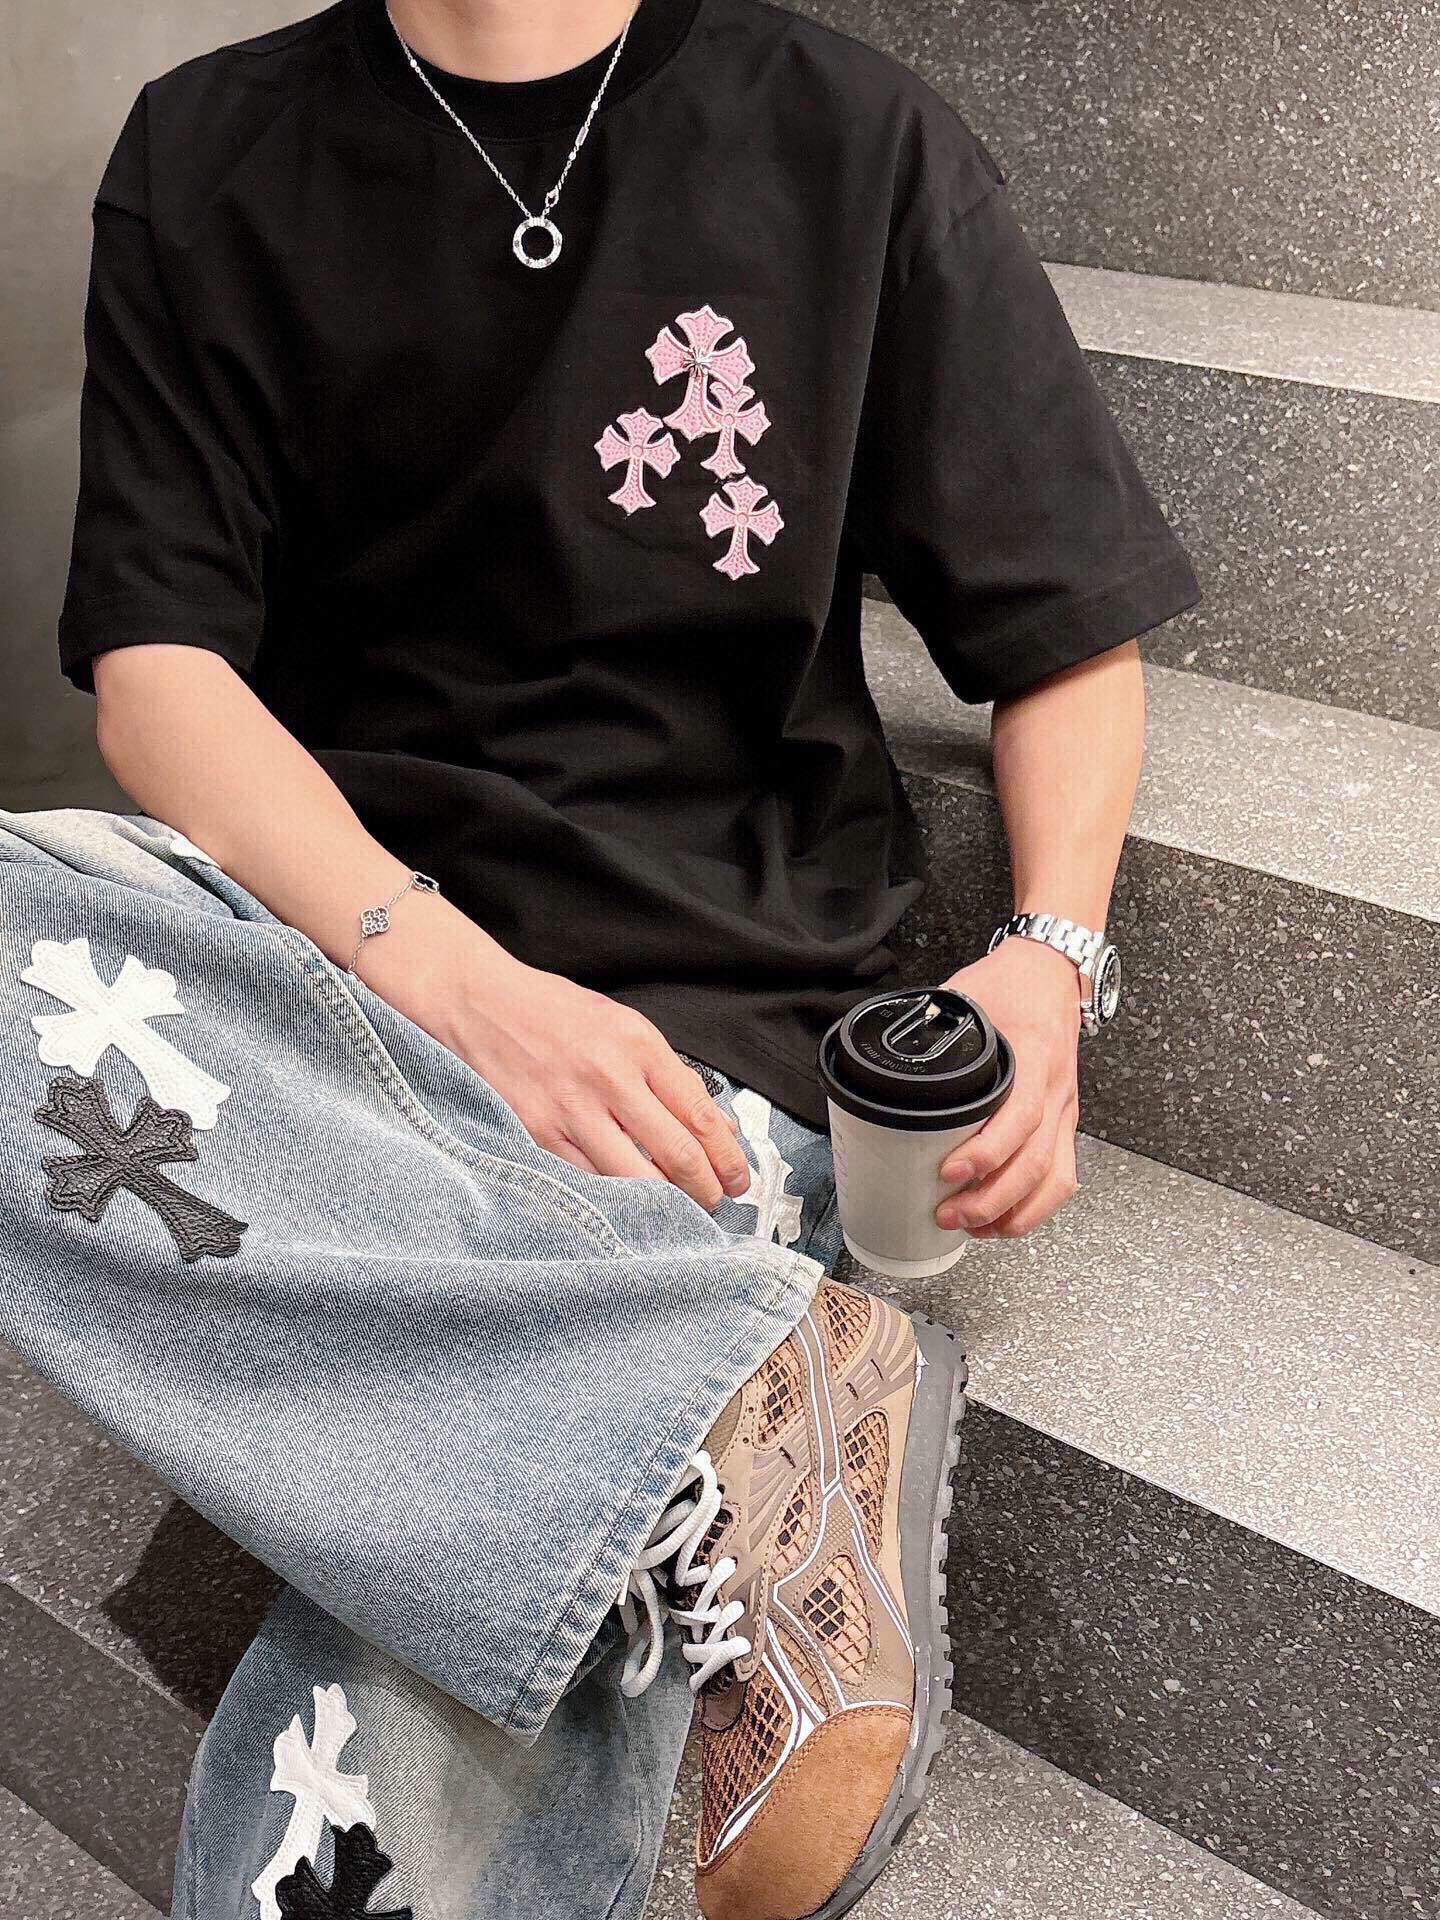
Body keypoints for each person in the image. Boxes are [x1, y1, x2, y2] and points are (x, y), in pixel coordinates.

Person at [3, 0, 1200, 1913]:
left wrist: (1049, 958)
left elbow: (1067, 634)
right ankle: (719, 1384)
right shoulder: (207, 145)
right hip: (336, 980)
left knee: (329, 1853)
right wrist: (460, 986)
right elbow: (160, 676)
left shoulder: (847, 134)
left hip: (695, 1036)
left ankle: (629, 1367)